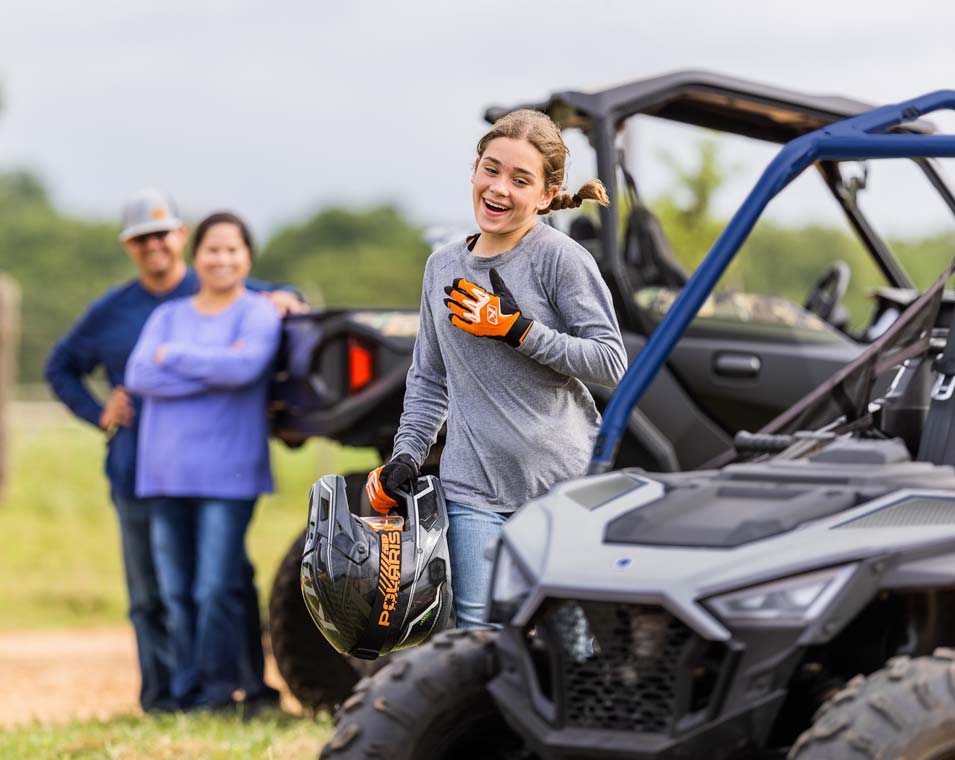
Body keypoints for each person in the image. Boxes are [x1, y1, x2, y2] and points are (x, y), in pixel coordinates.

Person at [365, 110, 628, 629]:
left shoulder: (560, 258)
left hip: (562, 490)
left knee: (569, 644)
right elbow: (429, 378)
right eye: (491, 169)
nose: (499, 188)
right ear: (475, 171)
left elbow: (611, 362)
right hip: (472, 492)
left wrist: (515, 329)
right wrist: (406, 455)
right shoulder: (442, 267)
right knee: (481, 641)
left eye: (520, 180)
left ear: (547, 196)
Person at [44, 189, 303, 712]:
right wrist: (99, 412)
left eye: (161, 234)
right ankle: (165, 697)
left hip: (222, 466)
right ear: (128, 245)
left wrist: (285, 298)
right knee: (156, 594)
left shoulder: (231, 292)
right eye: (141, 238)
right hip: (141, 467)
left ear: (180, 237)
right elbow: (79, 368)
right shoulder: (115, 310)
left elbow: (257, 330)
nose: (153, 245)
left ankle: (241, 688)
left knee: (223, 585)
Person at [125, 211, 282, 711]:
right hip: (163, 473)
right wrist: (212, 366)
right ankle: (187, 692)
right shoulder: (167, 316)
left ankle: (220, 692)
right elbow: (139, 376)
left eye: (233, 249)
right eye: (213, 249)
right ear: (196, 257)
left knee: (215, 587)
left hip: (229, 475)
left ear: (248, 257)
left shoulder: (258, 313)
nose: (222, 259)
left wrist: (173, 357)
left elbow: (245, 369)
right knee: (175, 591)